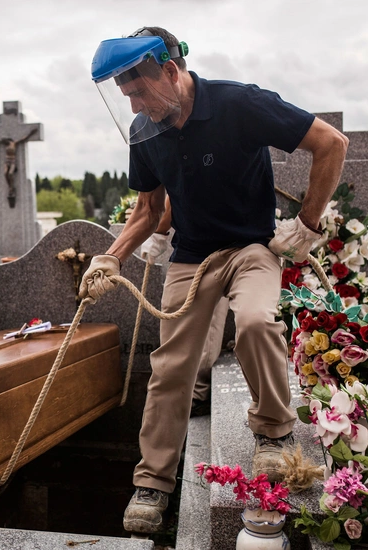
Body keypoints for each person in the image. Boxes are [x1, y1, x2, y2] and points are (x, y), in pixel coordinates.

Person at [83, 27, 348, 534]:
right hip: (190, 256)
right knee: (172, 366)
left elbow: (330, 143)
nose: (135, 104)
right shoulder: (145, 130)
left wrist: (307, 226)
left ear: (169, 70)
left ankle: (273, 433)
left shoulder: (239, 104)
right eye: (126, 97)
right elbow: (148, 208)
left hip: (253, 247)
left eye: (138, 90)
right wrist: (110, 257)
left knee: (253, 321)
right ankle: (153, 482)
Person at [141, 195, 230, 417]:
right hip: (207, 243)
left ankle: (197, 394)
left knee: (209, 324)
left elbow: (175, 196)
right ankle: (192, 392)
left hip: (216, 246)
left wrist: (159, 233)